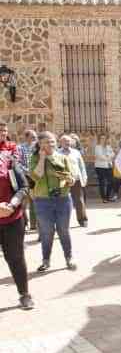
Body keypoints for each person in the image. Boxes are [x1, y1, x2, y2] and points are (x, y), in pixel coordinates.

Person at [29, 132, 77, 272]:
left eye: (52, 142)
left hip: (63, 199)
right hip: (43, 201)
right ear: (40, 144)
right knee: (46, 232)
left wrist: (69, 180)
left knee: (64, 231)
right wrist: (42, 159)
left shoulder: (63, 158)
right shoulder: (34, 158)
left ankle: (69, 258)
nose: (49, 144)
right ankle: (46, 260)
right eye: (46, 142)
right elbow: (36, 176)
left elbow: (72, 178)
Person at [0, 144, 34, 309]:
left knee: (15, 258)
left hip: (12, 218)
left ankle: (24, 294)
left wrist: (12, 205)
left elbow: (24, 186)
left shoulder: (9, 159)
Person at [59, 135, 88, 227]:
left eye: (68, 141)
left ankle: (83, 220)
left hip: (76, 179)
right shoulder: (57, 153)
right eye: (65, 141)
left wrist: (84, 177)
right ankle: (63, 222)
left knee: (79, 200)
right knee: (63, 201)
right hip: (63, 180)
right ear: (61, 143)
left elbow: (81, 166)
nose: (67, 143)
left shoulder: (76, 152)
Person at [18, 129, 37, 232]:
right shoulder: (20, 148)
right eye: (32, 136)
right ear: (26, 137)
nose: (35, 138)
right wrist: (28, 171)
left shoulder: (37, 148)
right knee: (24, 202)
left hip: (35, 177)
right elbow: (18, 163)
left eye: (35, 136)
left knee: (34, 200)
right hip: (25, 177)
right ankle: (24, 223)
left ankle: (34, 225)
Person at [94, 134, 115, 202]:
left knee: (111, 181)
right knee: (102, 183)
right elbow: (100, 156)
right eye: (101, 138)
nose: (103, 140)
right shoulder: (97, 147)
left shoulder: (108, 146)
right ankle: (104, 198)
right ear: (99, 139)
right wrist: (108, 157)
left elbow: (113, 154)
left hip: (109, 166)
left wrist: (108, 156)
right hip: (100, 167)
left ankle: (108, 196)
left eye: (104, 138)